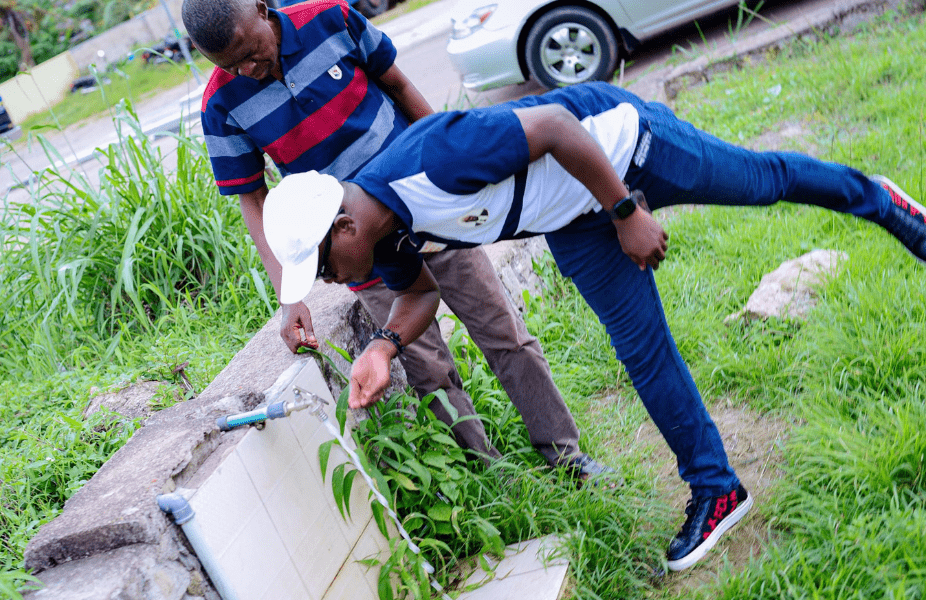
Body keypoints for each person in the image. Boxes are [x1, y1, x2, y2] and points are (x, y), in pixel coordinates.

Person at [261, 81, 926, 571]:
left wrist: (626, 208)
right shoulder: (385, 240)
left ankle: (883, 202)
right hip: (570, 217)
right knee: (641, 351)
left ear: (343, 227)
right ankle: (717, 490)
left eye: (324, 264)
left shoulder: (429, 159)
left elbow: (551, 123)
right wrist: (383, 346)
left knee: (763, 180)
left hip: (621, 151)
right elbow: (419, 298)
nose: (331, 280)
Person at [180, 0, 614, 481]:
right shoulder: (220, 103)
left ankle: (566, 456)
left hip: (425, 208)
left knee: (502, 331)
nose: (247, 68)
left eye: (250, 51)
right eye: (229, 65)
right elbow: (254, 202)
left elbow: (399, 85)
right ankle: (494, 479)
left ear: (263, 11)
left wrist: (449, 170)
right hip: (355, 248)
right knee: (427, 367)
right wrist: (290, 295)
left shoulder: (332, 19)